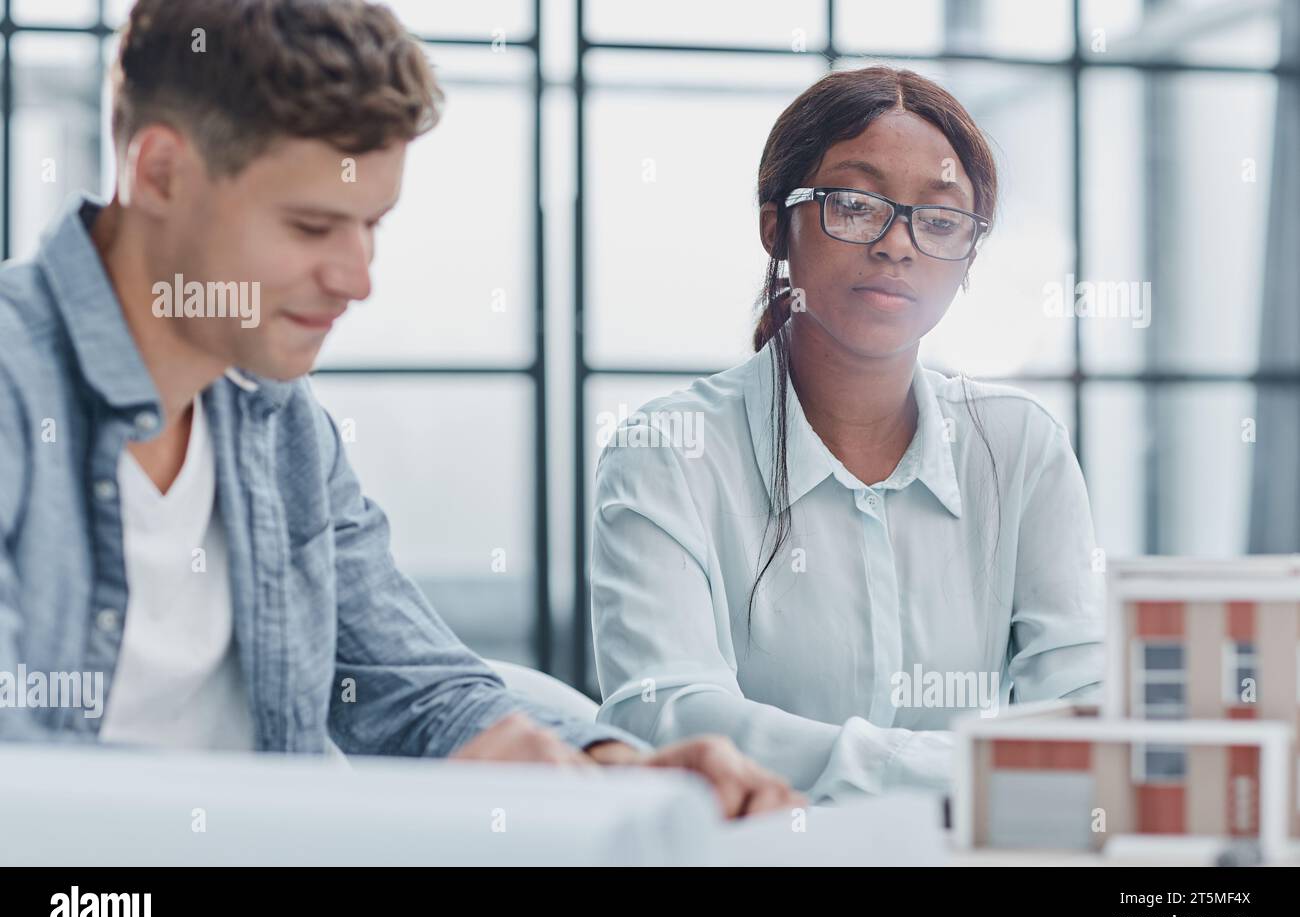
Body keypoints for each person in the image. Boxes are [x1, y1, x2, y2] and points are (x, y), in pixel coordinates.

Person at [0, 0, 801, 820]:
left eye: (372, 226)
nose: (357, 279)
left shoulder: (274, 420)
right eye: (313, 226)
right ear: (160, 172)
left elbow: (408, 678)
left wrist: (617, 769)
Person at [591, 66, 1104, 805]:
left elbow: (1081, 704)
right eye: (856, 205)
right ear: (776, 224)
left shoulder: (1020, 445)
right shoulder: (668, 451)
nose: (898, 244)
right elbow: (664, 710)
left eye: (939, 219)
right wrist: (963, 772)